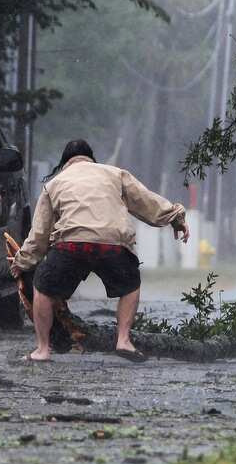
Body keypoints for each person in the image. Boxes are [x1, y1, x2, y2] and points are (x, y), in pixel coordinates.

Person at [10, 139, 190, 363]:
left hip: (71, 245)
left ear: (65, 163)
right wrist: (176, 217)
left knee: (42, 287)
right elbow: (147, 201)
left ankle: (43, 349)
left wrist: (22, 262)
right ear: (92, 159)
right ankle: (123, 340)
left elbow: (39, 236)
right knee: (130, 285)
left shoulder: (54, 184)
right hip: (113, 245)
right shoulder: (115, 174)